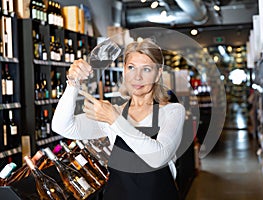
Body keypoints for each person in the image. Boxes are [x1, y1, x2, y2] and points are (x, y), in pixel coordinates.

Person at [51, 38, 186, 200]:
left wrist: (116, 121)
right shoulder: (113, 112)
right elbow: (62, 126)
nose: (137, 77)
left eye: (147, 69)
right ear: (124, 71)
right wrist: (74, 83)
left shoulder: (172, 111)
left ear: (158, 73)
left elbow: (158, 157)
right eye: (131, 68)